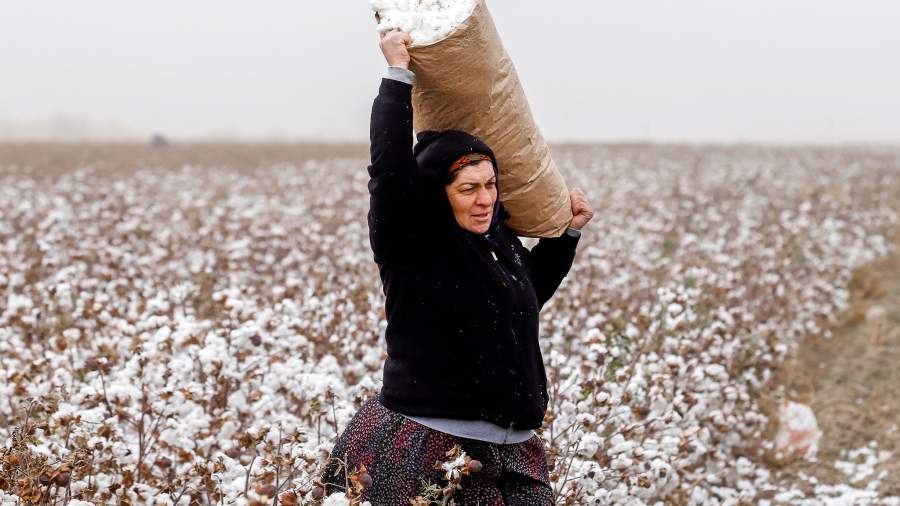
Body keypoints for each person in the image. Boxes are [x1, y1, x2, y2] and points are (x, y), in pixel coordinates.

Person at [320, 28, 594, 505]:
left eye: (490, 184)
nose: (485, 198)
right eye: (468, 188)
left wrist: (566, 235)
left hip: (516, 448)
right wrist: (397, 77)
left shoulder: (496, 242)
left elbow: (523, 295)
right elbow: (388, 170)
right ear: (438, 194)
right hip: (427, 444)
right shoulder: (412, 244)